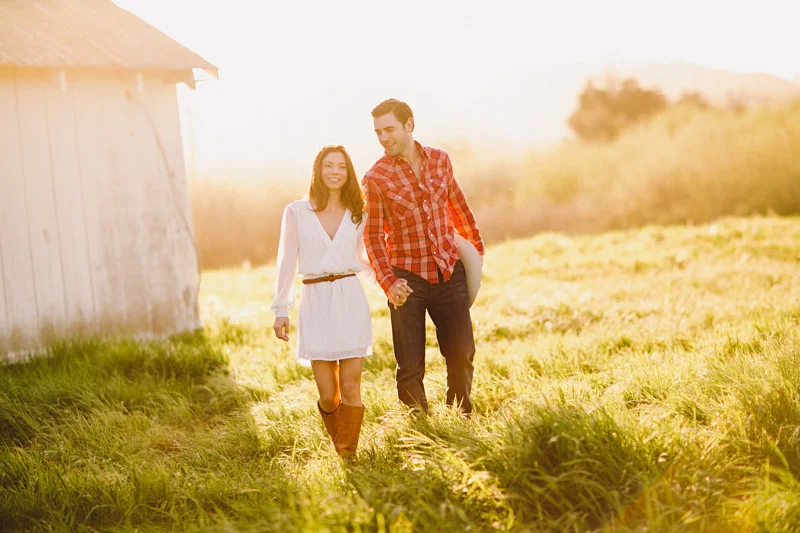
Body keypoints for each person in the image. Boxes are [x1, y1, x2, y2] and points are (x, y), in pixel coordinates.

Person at [362, 98, 485, 415]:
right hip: (406, 279)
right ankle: (420, 430)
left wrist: (476, 255)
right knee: (410, 365)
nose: (383, 138)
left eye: (389, 129)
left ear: (409, 125)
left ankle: (460, 417)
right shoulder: (375, 178)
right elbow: (373, 236)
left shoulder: (440, 160)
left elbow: (458, 207)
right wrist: (388, 283)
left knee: (462, 352)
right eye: (378, 132)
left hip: (448, 270)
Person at [272, 145, 373, 457]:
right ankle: (341, 443)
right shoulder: (297, 212)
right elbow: (287, 261)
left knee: (352, 386)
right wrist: (280, 309)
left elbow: (363, 259)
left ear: (348, 172)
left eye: (341, 167)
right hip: (315, 301)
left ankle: (347, 455)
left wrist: (390, 284)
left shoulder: (359, 212)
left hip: (350, 298)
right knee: (329, 395)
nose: (335, 172)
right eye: (329, 165)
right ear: (318, 170)